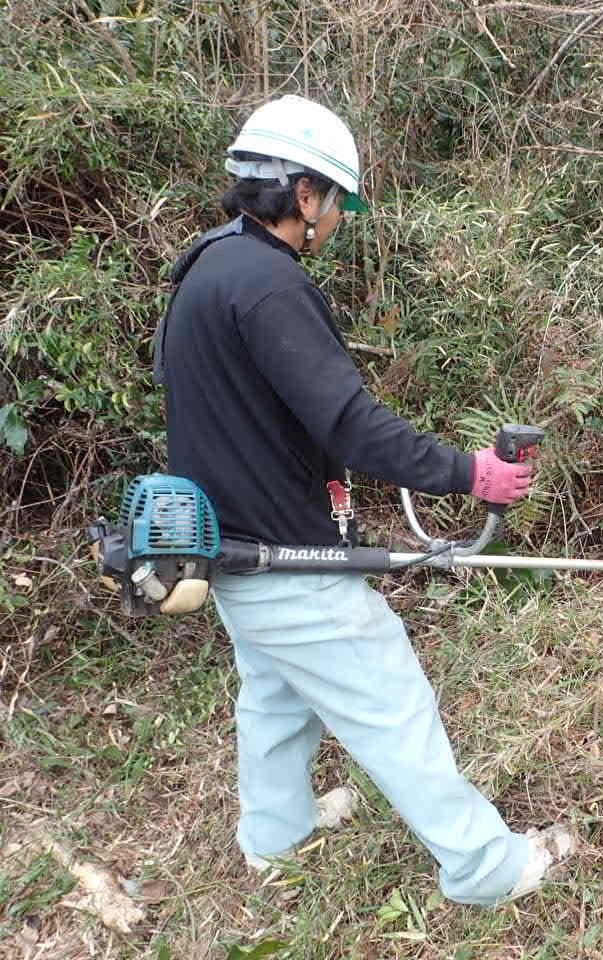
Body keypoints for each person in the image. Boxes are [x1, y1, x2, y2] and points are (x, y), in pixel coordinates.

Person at [152, 94, 576, 906]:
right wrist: (468, 473)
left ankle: (274, 837)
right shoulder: (268, 287)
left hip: (231, 548)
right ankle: (488, 869)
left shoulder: (206, 268)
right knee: (391, 699)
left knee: (275, 697)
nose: (340, 219)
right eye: (337, 201)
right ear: (303, 195)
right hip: (281, 556)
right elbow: (349, 422)